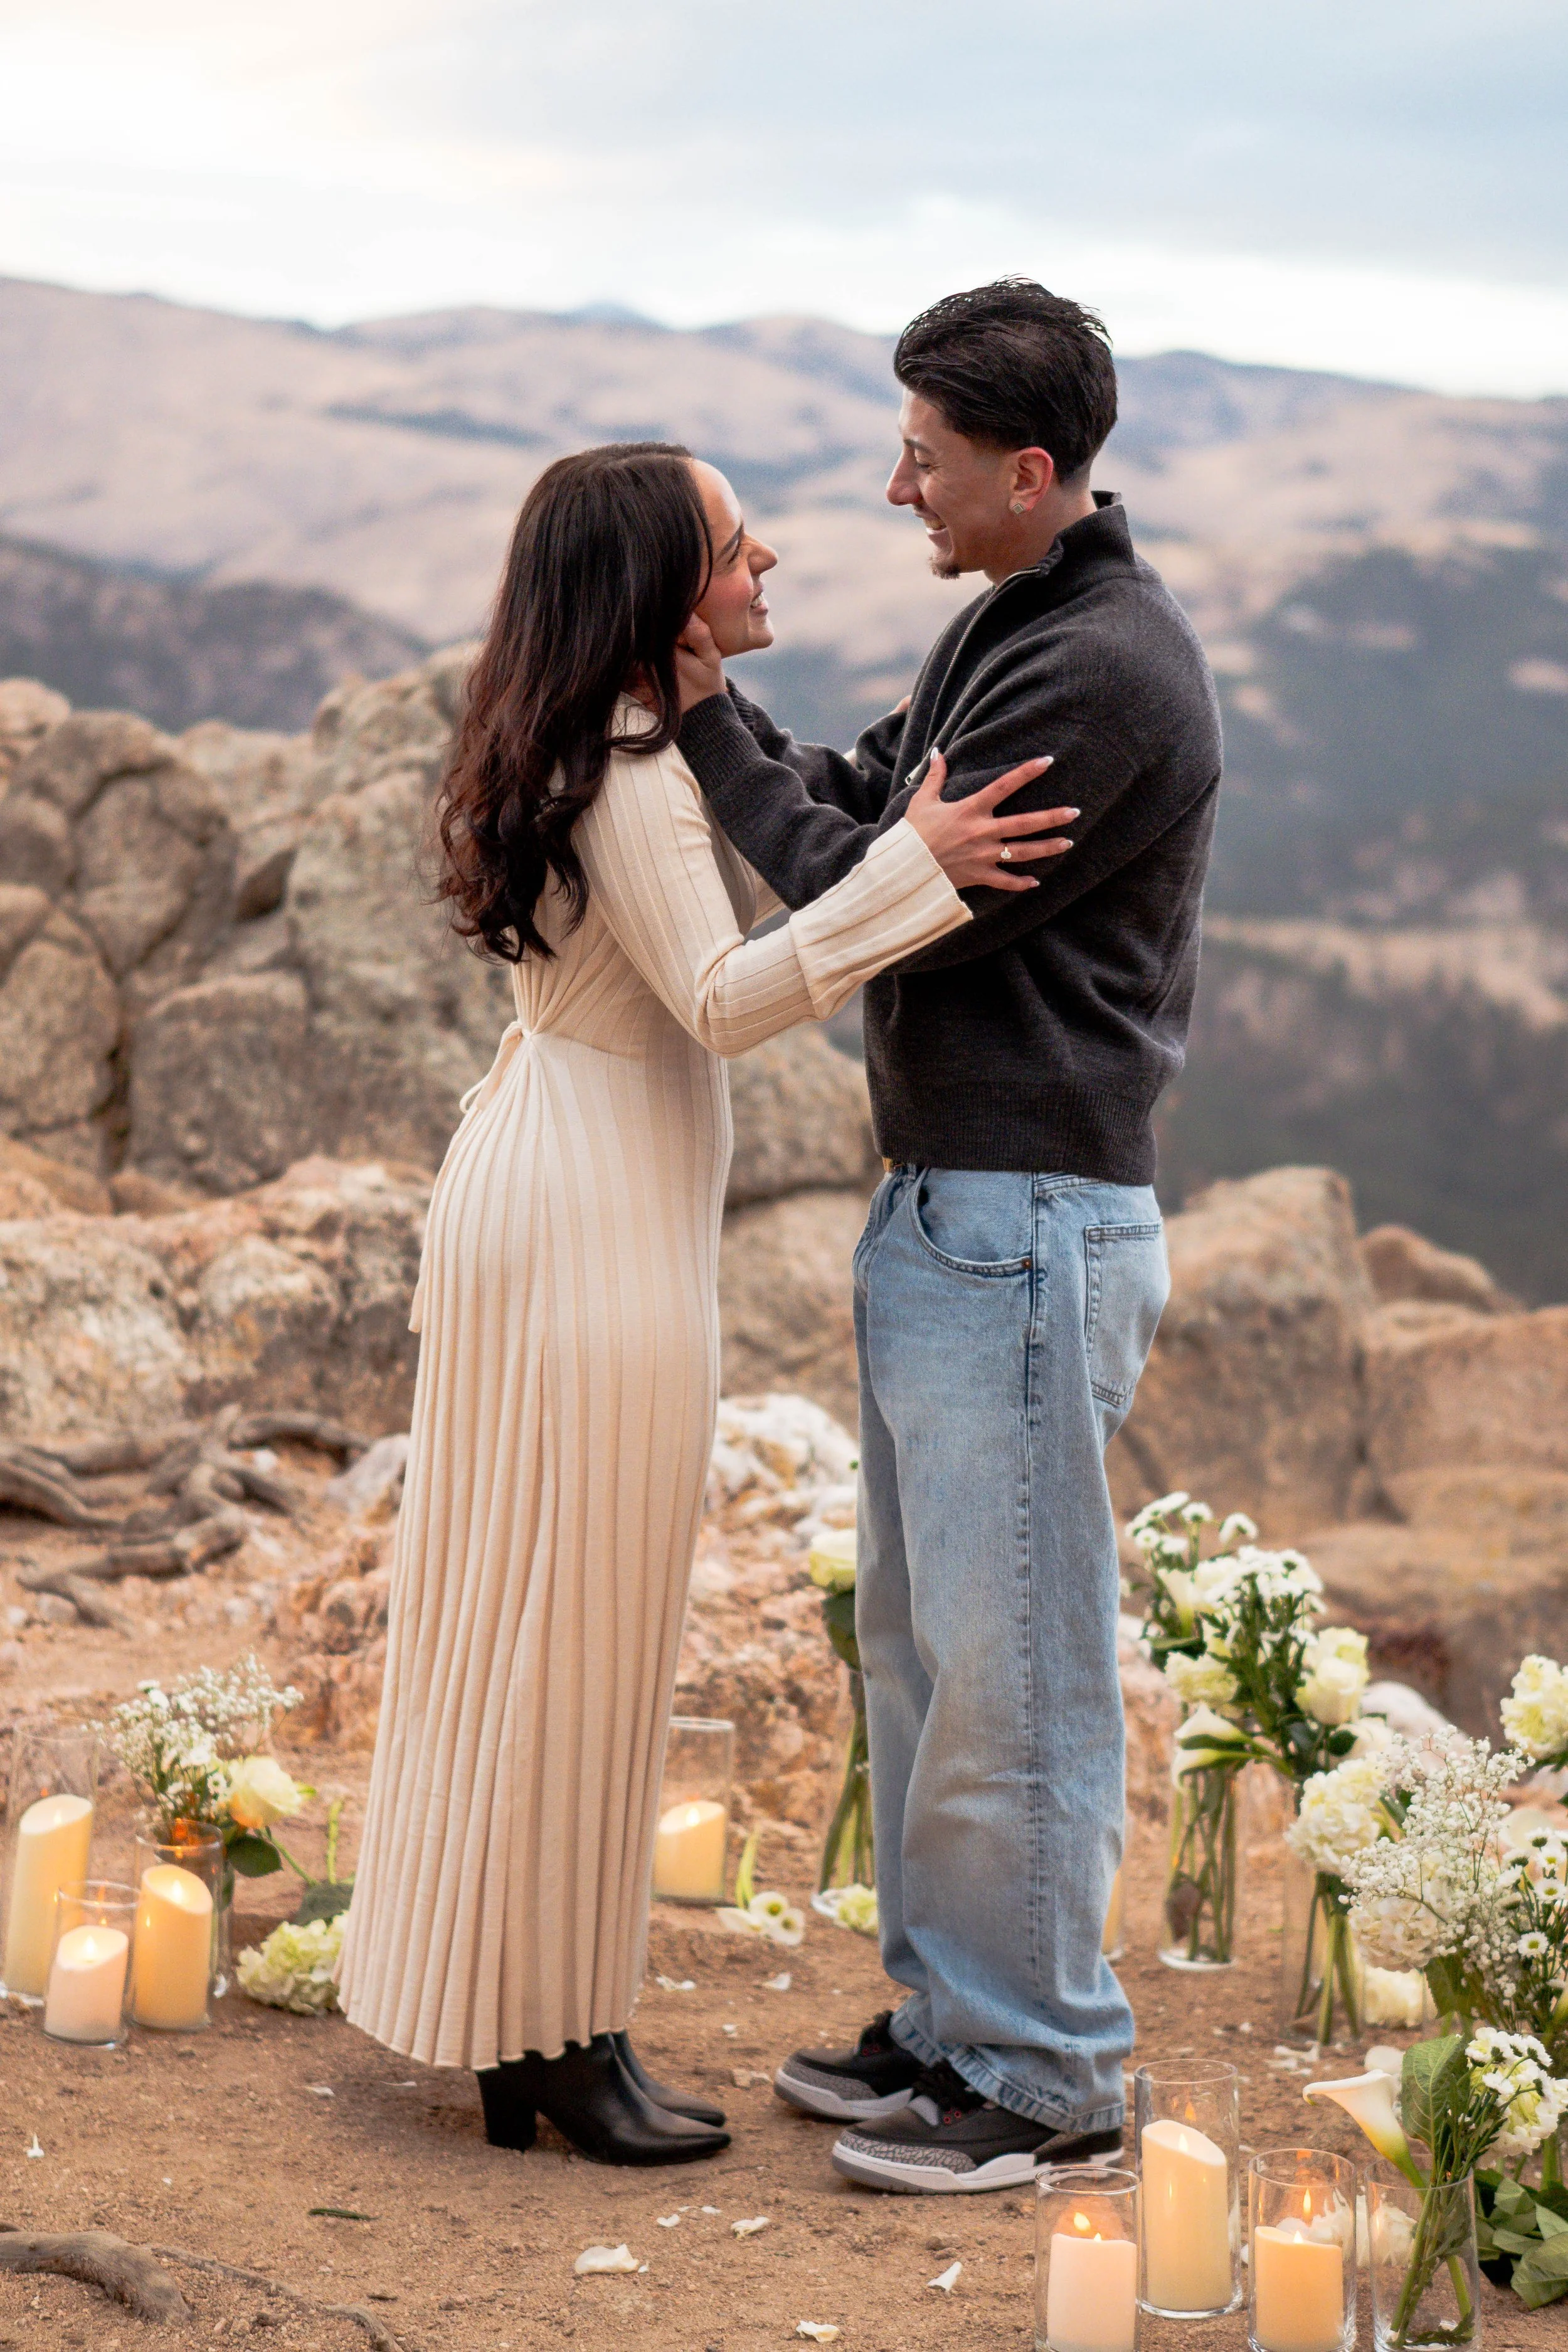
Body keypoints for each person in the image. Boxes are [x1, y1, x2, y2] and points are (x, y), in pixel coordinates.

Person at [336, 439, 1076, 2168]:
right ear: (664, 592)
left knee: (527, 1614)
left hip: (560, 1182)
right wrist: (924, 868)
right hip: (590, 1219)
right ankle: (555, 2037)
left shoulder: (578, 723)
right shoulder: (628, 762)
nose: (773, 567)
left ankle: (531, 2027)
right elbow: (728, 997)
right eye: (739, 549)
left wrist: (883, 826)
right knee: (579, 1620)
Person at [674, 281, 1224, 2195]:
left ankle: (1048, 2075)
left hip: (1024, 1221)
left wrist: (683, 712)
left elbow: (864, 887)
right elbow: (850, 793)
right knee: (923, 1645)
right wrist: (734, 723)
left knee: (1016, 1661)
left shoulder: (1104, 673)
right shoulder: (1016, 616)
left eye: (921, 454)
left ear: (1028, 468)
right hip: (963, 1213)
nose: (892, 482)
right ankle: (951, 2016)